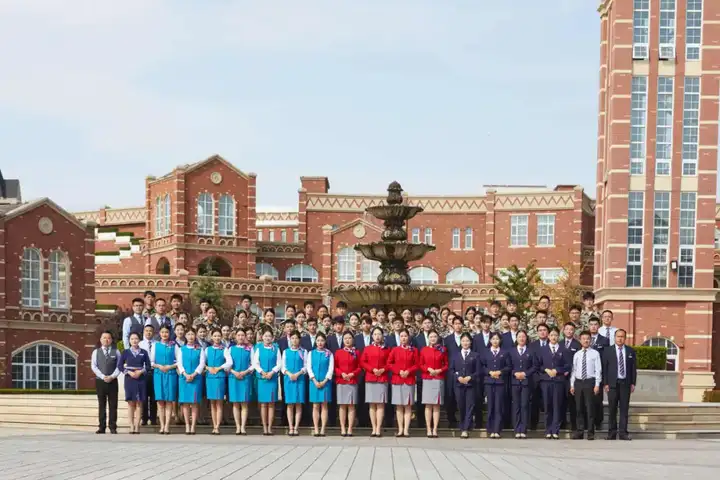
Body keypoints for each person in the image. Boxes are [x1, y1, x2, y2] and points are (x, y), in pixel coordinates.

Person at [603, 329, 636, 441]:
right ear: (614, 337)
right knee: (612, 409)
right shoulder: (608, 351)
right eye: (618, 336)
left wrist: (633, 383)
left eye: (622, 336)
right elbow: (605, 368)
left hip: (625, 383)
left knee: (624, 409)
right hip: (612, 384)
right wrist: (605, 383)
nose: (620, 339)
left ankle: (623, 433)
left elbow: (633, 368)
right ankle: (611, 433)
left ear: (625, 338)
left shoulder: (630, 351)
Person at [537, 327, 568, 439]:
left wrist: (557, 370)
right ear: (548, 336)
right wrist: (546, 370)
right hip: (546, 381)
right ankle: (548, 430)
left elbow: (568, 365)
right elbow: (538, 365)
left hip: (558, 381)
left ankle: (555, 430)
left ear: (559, 336)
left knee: (557, 405)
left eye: (556, 335)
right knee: (547, 405)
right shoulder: (542, 350)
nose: (553, 337)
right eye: (551, 335)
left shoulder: (564, 349)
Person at [570, 330, 602, 440]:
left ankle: (590, 432)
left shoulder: (595, 353)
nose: (586, 341)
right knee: (579, 408)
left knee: (590, 408)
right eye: (583, 339)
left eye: (588, 339)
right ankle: (579, 431)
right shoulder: (577, 354)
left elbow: (598, 370)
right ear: (580, 340)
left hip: (590, 382)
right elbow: (574, 370)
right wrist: (572, 384)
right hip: (578, 382)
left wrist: (597, 384)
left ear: (591, 340)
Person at [117, 332, 151, 434]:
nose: (134, 341)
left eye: (136, 339)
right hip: (129, 379)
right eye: (132, 339)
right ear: (129, 340)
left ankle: (137, 426)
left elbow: (148, 366)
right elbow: (120, 366)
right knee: (131, 402)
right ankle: (131, 425)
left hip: (141, 379)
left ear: (139, 340)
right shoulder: (125, 352)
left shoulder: (144, 352)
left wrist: (140, 372)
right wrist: (129, 372)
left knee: (139, 402)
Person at [387, 328, 418, 438]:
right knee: (399, 406)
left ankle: (406, 430)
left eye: (405, 336)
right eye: (401, 336)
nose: (404, 338)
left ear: (408, 337)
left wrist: (409, 371)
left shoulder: (414, 350)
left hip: (409, 380)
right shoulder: (395, 350)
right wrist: (398, 371)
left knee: (408, 406)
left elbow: (417, 364)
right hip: (397, 380)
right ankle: (400, 429)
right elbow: (389, 363)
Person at [360, 327, 390, 437]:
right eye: (375, 334)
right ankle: (373, 428)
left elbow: (390, 362)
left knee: (381, 404)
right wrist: (372, 369)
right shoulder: (367, 348)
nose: (377, 336)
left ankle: (378, 428)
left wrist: (383, 369)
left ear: (382, 336)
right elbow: (363, 362)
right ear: (372, 336)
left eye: (379, 334)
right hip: (371, 378)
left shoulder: (387, 349)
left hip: (382, 378)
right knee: (372, 404)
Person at [450, 332, 480, 439]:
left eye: (467, 341)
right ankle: (462, 425)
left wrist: (470, 377)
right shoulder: (456, 355)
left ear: (470, 342)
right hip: (459, 385)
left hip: (470, 385)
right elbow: (451, 370)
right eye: (463, 341)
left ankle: (465, 428)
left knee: (469, 406)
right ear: (460, 342)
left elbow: (478, 371)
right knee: (461, 406)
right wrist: (457, 377)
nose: (465, 343)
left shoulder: (475, 355)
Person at [419, 329, 448, 438]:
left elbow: (446, 364)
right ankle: (428, 429)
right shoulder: (424, 350)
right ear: (428, 338)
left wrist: (439, 370)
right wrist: (428, 369)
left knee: (436, 405)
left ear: (438, 338)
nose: (433, 339)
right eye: (431, 337)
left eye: (435, 337)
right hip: (427, 378)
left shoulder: (443, 350)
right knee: (428, 405)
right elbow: (421, 364)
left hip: (438, 378)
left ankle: (435, 429)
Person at [253, 326, 282, 435]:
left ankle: (270, 427)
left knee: (271, 404)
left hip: (272, 378)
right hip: (262, 379)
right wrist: (262, 372)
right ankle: (264, 427)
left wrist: (272, 372)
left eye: (269, 336)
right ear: (262, 337)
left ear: (272, 338)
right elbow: (255, 363)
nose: (267, 338)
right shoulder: (259, 348)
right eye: (265, 336)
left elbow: (279, 363)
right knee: (263, 404)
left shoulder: (276, 349)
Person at [177, 327, 205, 435]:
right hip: (184, 378)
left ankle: (193, 426)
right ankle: (187, 425)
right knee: (185, 403)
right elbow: (179, 363)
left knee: (194, 402)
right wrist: (185, 374)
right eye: (188, 334)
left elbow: (202, 363)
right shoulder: (181, 349)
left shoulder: (200, 349)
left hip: (196, 378)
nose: (190, 336)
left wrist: (194, 374)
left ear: (195, 336)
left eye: (192, 334)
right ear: (185, 336)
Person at [150, 324, 178, 434]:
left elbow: (179, 361)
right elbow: (151, 361)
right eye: (162, 332)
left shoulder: (174, 346)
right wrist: (159, 366)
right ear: (159, 333)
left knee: (169, 400)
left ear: (169, 333)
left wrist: (170, 366)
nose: (164, 334)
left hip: (170, 374)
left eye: (166, 332)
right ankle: (161, 425)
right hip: (158, 374)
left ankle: (167, 426)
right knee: (160, 401)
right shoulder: (155, 345)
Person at [482, 332, 510, 438]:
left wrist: (500, 372)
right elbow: (482, 366)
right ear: (490, 340)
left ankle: (497, 429)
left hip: (500, 382)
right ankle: (490, 429)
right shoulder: (486, 353)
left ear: (500, 341)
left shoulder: (504, 353)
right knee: (490, 406)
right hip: (489, 382)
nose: (495, 341)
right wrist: (489, 372)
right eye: (493, 339)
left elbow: (508, 366)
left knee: (498, 406)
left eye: (497, 339)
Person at [92, 331, 121, 434]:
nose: (106, 340)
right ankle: (102, 427)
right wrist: (103, 376)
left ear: (111, 340)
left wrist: (112, 376)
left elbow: (119, 366)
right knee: (102, 404)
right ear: (100, 340)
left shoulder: (116, 351)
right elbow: (94, 366)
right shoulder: (96, 352)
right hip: (100, 381)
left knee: (113, 405)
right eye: (104, 338)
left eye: (108, 338)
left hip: (113, 381)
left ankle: (113, 427)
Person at [334, 331, 361, 437]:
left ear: (353, 340)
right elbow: (335, 366)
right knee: (342, 405)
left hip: (352, 381)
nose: (347, 340)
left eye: (349, 338)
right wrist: (342, 373)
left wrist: (353, 374)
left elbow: (360, 367)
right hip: (341, 381)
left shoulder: (356, 352)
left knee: (351, 405)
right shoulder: (338, 352)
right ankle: (342, 428)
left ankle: (350, 428)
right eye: (345, 338)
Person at [508, 330, 534, 438]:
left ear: (526, 338)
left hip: (526, 382)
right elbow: (508, 366)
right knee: (516, 406)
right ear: (516, 338)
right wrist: (514, 373)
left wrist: (525, 373)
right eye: (519, 336)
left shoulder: (531, 351)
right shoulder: (511, 351)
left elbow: (534, 366)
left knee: (524, 405)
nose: (522, 338)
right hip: (514, 382)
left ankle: (523, 429)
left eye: (523, 336)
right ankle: (516, 429)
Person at [307, 332, 334, 437]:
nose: (320, 342)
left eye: (322, 340)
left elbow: (330, 369)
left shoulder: (329, 354)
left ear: (325, 342)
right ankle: (316, 428)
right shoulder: (311, 353)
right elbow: (309, 367)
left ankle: (323, 428)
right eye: (318, 340)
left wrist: (324, 381)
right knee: (315, 405)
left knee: (324, 405)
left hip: (325, 382)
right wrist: (314, 380)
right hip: (314, 382)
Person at [205, 328, 231, 435]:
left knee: (219, 402)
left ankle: (217, 426)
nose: (217, 338)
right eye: (215, 336)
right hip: (210, 377)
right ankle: (214, 424)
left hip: (220, 377)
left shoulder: (224, 349)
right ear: (211, 337)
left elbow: (229, 362)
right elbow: (202, 362)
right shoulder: (207, 349)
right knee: (212, 403)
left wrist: (219, 368)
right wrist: (208, 368)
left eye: (218, 336)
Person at [228, 328, 254, 435]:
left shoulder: (250, 349)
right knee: (235, 403)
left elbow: (253, 364)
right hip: (233, 378)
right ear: (235, 337)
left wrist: (245, 372)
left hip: (245, 377)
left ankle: (243, 426)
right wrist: (234, 372)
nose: (240, 337)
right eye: (238, 335)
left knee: (244, 403)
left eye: (242, 335)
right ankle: (237, 426)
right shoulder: (231, 349)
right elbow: (227, 364)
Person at [282, 331, 307, 436]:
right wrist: (289, 374)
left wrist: (298, 373)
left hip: (300, 379)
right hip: (289, 380)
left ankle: (296, 427)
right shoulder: (286, 351)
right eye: (292, 338)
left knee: (298, 403)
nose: (294, 340)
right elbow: (283, 366)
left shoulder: (303, 351)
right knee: (290, 403)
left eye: (296, 338)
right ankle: (290, 427)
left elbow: (306, 366)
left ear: (299, 339)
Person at [443, 314, 464, 428]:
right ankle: (451, 420)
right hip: (450, 371)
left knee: (462, 396)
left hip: (464, 371)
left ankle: (463, 420)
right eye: (456, 324)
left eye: (460, 324)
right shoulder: (447, 339)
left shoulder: (467, 338)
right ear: (452, 325)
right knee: (450, 396)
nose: (458, 326)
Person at [589, 317, 610, 430]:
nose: (593, 326)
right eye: (591, 324)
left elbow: (606, 358)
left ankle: (598, 422)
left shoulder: (604, 340)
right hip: (586, 373)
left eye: (595, 324)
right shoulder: (584, 338)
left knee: (597, 399)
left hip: (598, 374)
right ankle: (588, 422)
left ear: (599, 326)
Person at [529, 323, 550, 430]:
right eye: (540, 330)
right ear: (537, 332)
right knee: (534, 402)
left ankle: (549, 426)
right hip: (535, 378)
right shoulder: (532, 345)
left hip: (549, 378)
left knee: (548, 402)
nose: (542, 332)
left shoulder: (553, 344)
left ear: (548, 332)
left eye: (544, 330)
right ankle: (533, 425)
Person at [560, 322, 581, 432]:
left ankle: (574, 425)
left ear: (574, 331)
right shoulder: (559, 343)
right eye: (567, 329)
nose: (569, 331)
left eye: (571, 329)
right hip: (560, 377)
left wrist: (569, 370)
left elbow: (578, 362)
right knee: (561, 401)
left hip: (573, 377)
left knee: (573, 402)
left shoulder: (578, 345)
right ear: (563, 331)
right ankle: (561, 423)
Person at [138, 324, 156, 426]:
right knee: (144, 396)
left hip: (154, 372)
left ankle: (153, 419)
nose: (148, 332)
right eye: (146, 331)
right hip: (143, 373)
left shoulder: (157, 344)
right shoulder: (140, 344)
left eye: (150, 331)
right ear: (144, 332)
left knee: (154, 397)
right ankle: (144, 418)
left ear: (153, 333)